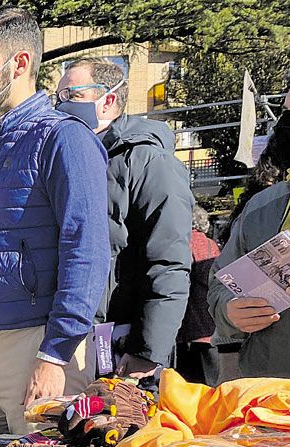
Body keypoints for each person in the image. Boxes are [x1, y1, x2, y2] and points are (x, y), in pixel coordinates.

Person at [0, 7, 111, 435]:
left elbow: (88, 249)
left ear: (20, 63)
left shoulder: (63, 138)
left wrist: (55, 355)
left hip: (35, 349)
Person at [55, 58, 193, 378]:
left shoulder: (150, 162)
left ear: (109, 100)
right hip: (67, 340)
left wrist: (147, 350)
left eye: (72, 96)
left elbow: (168, 261)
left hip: (120, 349)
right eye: (57, 98)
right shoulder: (67, 160)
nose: (61, 107)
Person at [209, 55, 290, 382]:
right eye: (286, 112)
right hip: (263, 404)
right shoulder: (263, 206)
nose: (288, 124)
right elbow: (220, 287)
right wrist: (231, 312)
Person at [174, 206, 222, 385]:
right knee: (212, 380)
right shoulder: (212, 244)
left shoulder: (183, 245)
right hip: (211, 322)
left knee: (190, 382)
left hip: (189, 322)